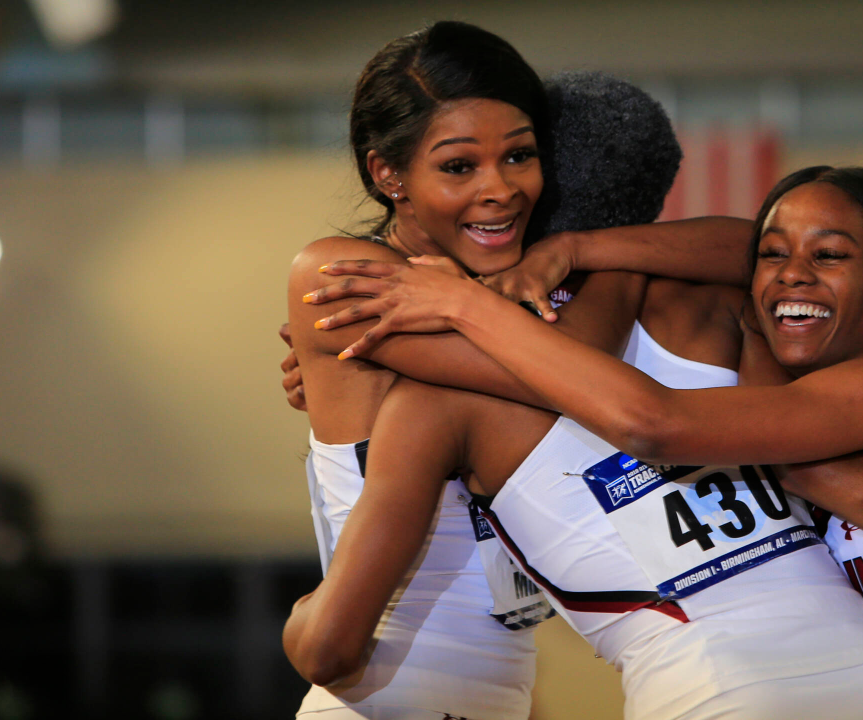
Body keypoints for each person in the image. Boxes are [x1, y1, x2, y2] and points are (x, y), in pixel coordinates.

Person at [308, 166, 863, 718]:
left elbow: (661, 425)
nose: (790, 276)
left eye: (829, 258)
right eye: (774, 257)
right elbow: (812, 465)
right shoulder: (783, 416)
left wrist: (464, 310)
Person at [281, 24, 682, 720]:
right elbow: (570, 385)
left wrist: (576, 251)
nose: (500, 190)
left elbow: (749, 245)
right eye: (459, 167)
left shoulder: (519, 298)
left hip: (504, 689)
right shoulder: (342, 275)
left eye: (520, 156)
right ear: (388, 175)